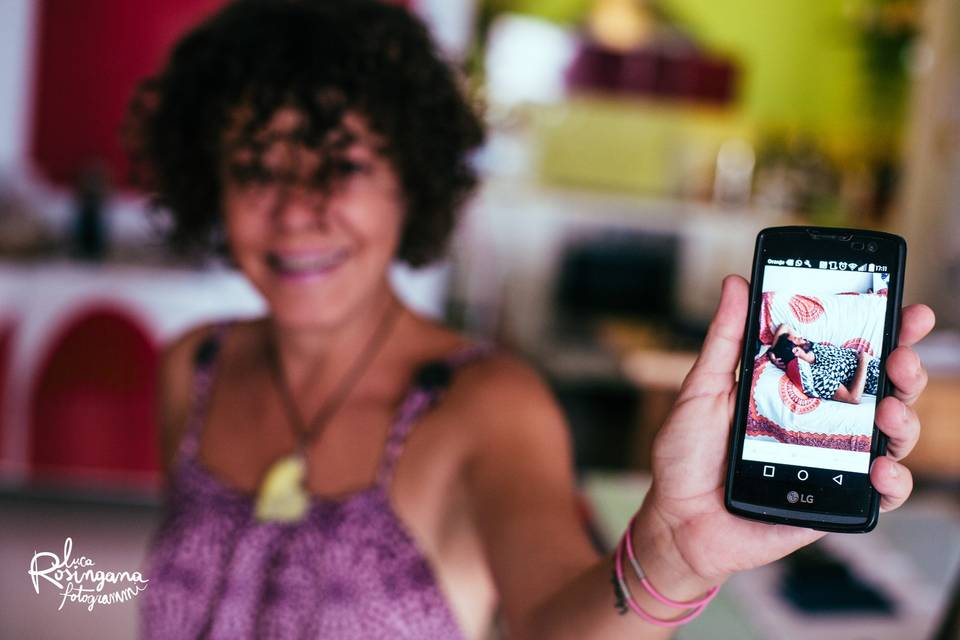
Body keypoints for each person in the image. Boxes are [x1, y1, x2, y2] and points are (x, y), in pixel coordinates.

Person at [131, 2, 934, 638]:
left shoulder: (486, 405)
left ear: (410, 179)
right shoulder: (194, 367)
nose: (298, 211)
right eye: (256, 169)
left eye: (342, 166)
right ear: (211, 183)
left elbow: (556, 624)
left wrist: (674, 558)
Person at [767, 323, 880, 404]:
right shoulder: (817, 376)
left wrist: (772, 352)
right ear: (795, 351)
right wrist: (863, 361)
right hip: (878, 379)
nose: (801, 336)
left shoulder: (813, 348)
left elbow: (785, 326)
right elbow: (853, 398)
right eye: (797, 338)